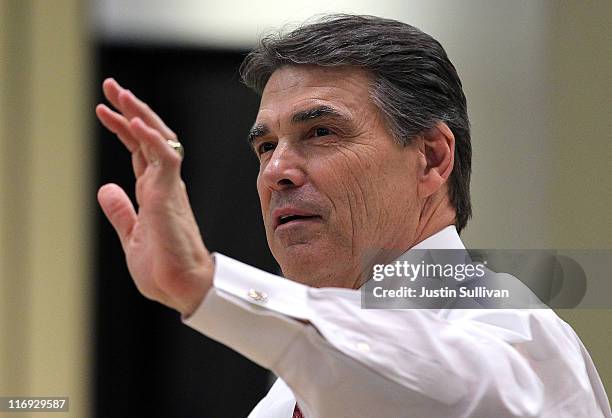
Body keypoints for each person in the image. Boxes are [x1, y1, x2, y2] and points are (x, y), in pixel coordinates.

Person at [95, 14, 611, 418]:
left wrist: (209, 284)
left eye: (321, 132)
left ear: (432, 157)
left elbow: (438, 390)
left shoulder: (510, 328)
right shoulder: (279, 402)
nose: (277, 171)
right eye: (266, 146)